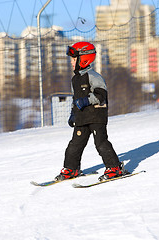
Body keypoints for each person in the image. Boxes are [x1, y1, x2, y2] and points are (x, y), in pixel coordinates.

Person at [55, 41, 124, 182]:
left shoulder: (94, 76)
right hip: (82, 118)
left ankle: (114, 167)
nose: (71, 62)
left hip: (96, 116)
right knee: (75, 144)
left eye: (74, 59)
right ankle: (71, 168)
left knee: (101, 143)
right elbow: (75, 99)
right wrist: (73, 114)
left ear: (84, 59)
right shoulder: (75, 79)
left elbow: (101, 95)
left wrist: (86, 100)